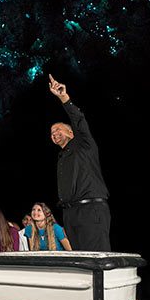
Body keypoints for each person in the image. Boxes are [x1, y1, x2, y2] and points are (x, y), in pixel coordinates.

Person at [48, 74, 111, 251]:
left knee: (95, 259)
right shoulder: (62, 157)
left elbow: (79, 121)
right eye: (51, 134)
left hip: (91, 210)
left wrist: (63, 98)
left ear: (70, 132)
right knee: (79, 260)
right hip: (70, 214)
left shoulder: (84, 143)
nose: (54, 134)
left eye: (58, 130)